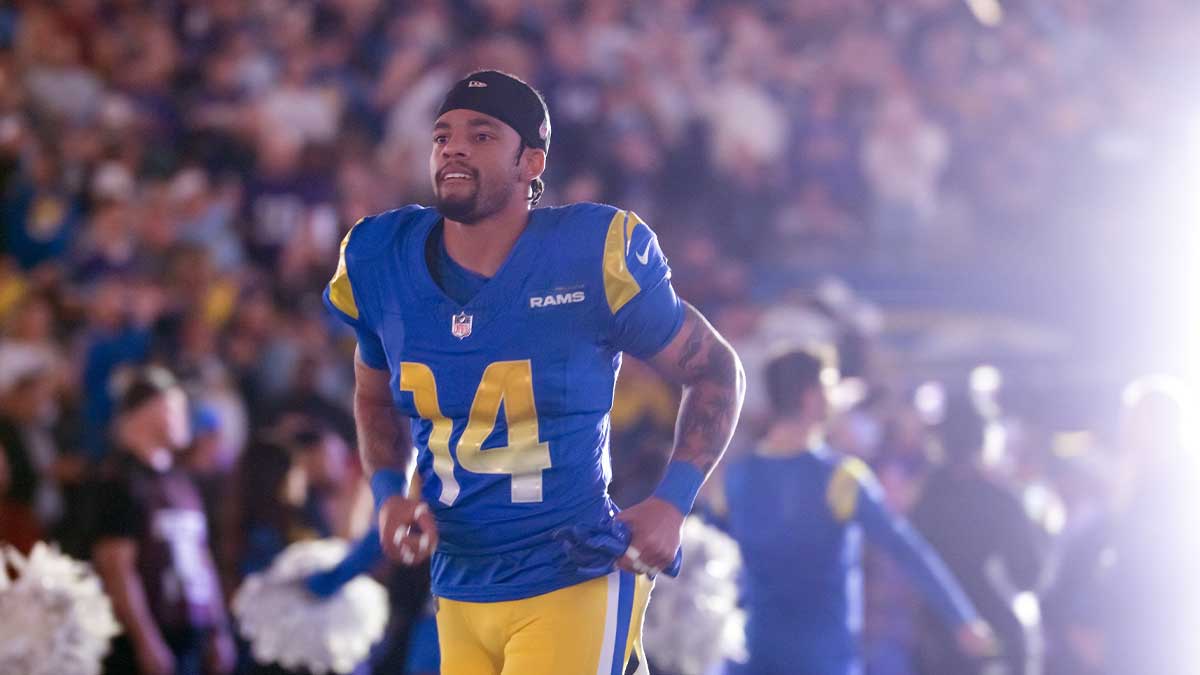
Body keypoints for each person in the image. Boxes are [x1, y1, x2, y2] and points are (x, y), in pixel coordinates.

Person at [322, 69, 745, 675]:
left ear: (531, 162)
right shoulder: (378, 257)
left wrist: (673, 501)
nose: (454, 147)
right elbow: (372, 396)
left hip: (570, 576)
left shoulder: (591, 252)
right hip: (459, 587)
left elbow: (715, 372)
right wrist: (389, 495)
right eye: (442, 135)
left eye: (483, 134)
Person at [724, 349, 995, 675]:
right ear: (812, 398)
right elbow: (906, 549)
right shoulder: (842, 478)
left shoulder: (735, 476)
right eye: (831, 385)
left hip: (754, 657)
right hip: (824, 662)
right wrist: (963, 619)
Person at [90, 366, 236, 675]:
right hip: (148, 642)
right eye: (177, 406)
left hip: (191, 637)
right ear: (149, 410)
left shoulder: (180, 481)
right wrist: (146, 641)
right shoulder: (120, 480)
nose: (186, 417)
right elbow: (116, 566)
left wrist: (217, 628)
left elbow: (202, 557)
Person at [910, 393, 1043, 675]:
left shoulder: (923, 499)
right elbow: (1028, 573)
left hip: (933, 633)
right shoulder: (1000, 499)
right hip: (993, 628)